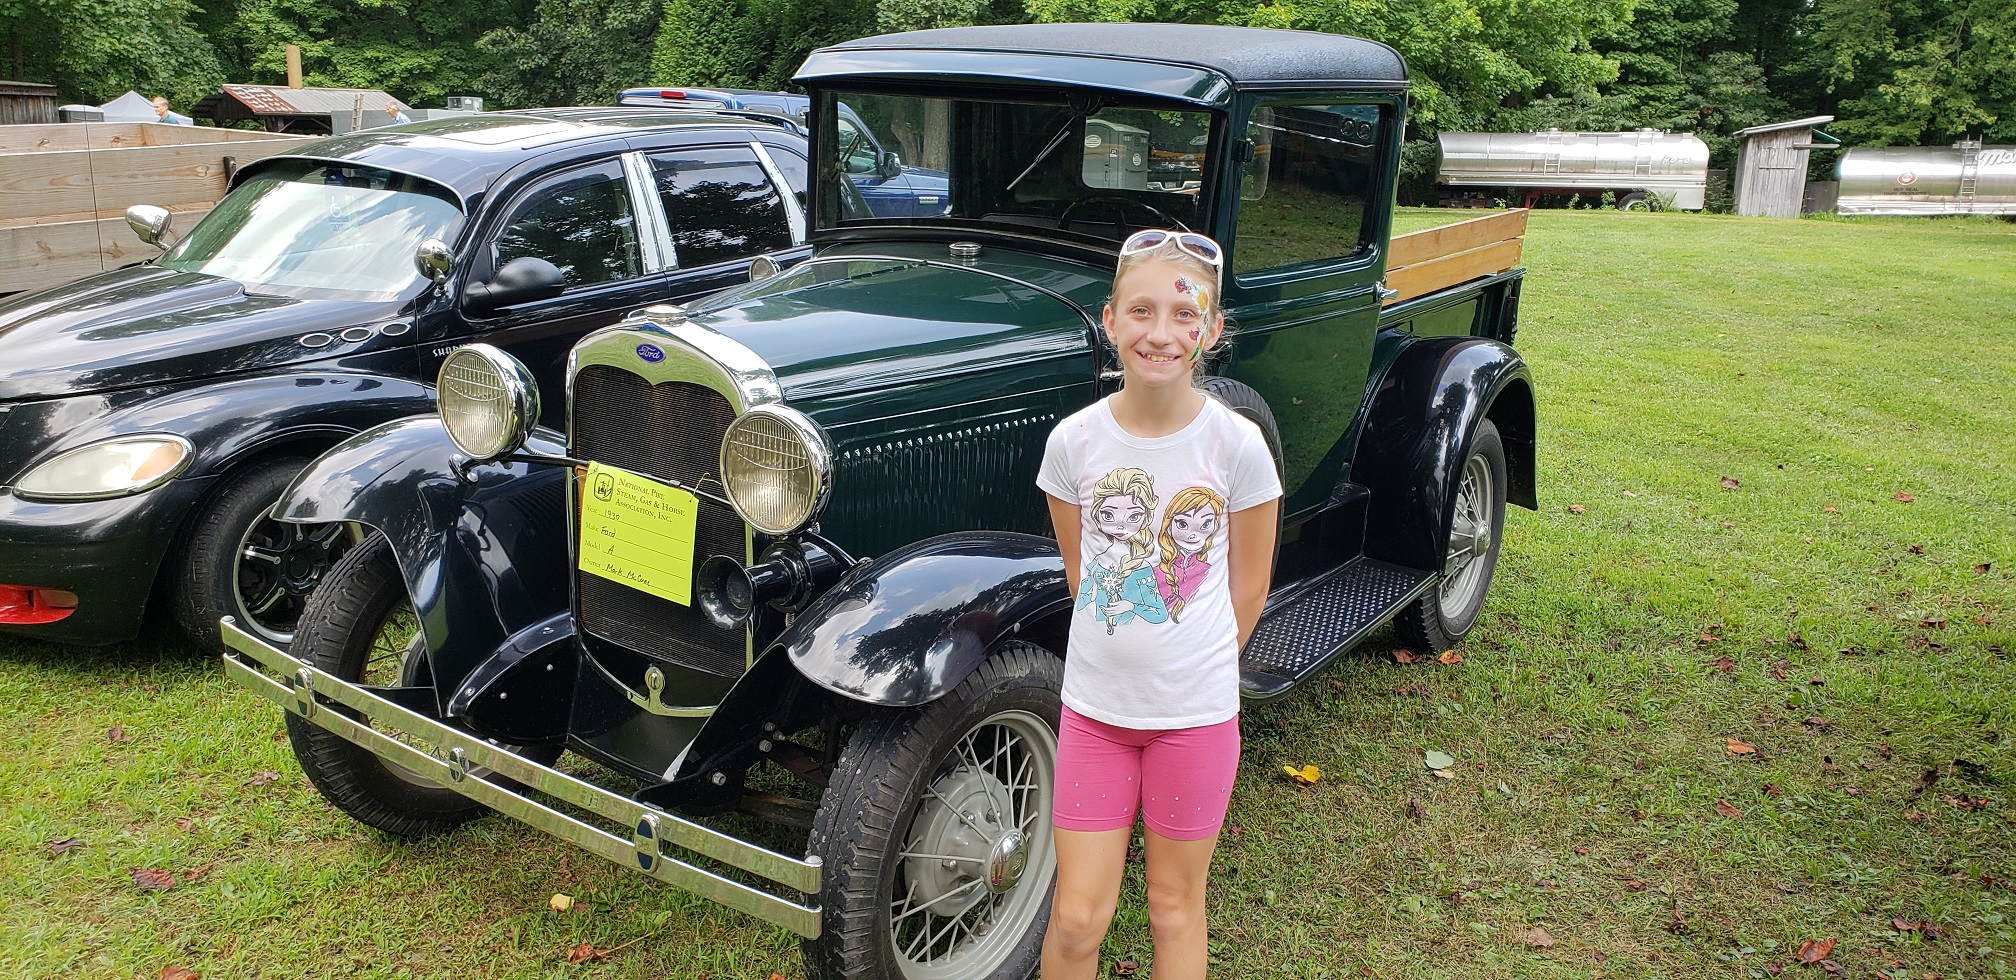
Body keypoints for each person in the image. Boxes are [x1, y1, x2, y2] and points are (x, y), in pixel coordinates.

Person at [1036, 228, 1281, 980]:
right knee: (1076, 918)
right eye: (1140, 311)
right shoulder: (1073, 444)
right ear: (1110, 321)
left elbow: (1248, 587)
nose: (1160, 332)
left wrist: (1188, 674)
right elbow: (1084, 576)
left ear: (1210, 329)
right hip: (1094, 717)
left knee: (1175, 908)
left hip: (1195, 722)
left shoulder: (1237, 447)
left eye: (1183, 315)